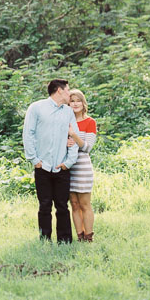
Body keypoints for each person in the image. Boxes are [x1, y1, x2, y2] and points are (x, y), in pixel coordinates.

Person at [23, 79, 79, 243]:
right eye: (68, 90)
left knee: (62, 206)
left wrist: (69, 162)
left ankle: (65, 241)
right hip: (43, 166)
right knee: (45, 205)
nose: (70, 93)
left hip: (62, 167)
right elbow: (28, 134)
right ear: (59, 91)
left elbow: (73, 137)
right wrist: (34, 160)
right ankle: (45, 239)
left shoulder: (68, 112)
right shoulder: (37, 108)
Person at [66, 89, 97, 242]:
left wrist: (73, 135)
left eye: (78, 100)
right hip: (69, 168)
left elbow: (87, 147)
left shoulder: (90, 122)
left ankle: (88, 237)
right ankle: (79, 236)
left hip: (83, 167)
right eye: (72, 101)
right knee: (74, 204)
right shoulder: (65, 122)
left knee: (84, 203)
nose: (75, 103)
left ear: (83, 103)